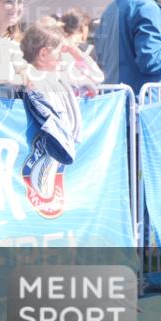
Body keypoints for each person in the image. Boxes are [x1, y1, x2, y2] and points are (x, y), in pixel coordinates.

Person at [19, 23, 104, 203]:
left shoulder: (61, 76)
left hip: (64, 143)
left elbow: (97, 76)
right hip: (39, 142)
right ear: (43, 54)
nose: (61, 58)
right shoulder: (27, 75)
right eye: (58, 53)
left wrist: (74, 51)